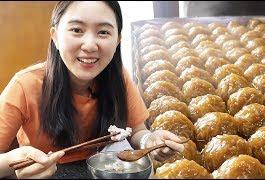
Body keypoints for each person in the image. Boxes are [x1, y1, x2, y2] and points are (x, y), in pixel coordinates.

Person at [0, 1, 185, 178]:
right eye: (77, 30)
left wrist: (149, 142)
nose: (89, 45)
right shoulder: (24, 86)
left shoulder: (118, 77)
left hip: (103, 170)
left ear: (118, 40)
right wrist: (11, 160)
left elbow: (137, 131)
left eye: (103, 32)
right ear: (55, 36)